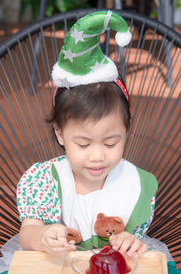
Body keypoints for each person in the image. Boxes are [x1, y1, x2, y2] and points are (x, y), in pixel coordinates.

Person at [17, 11, 157, 258]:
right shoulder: (44, 181)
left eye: (111, 142)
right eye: (82, 144)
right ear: (60, 134)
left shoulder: (135, 184)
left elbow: (134, 239)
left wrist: (129, 241)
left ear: (126, 131)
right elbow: (27, 233)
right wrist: (41, 237)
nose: (97, 156)